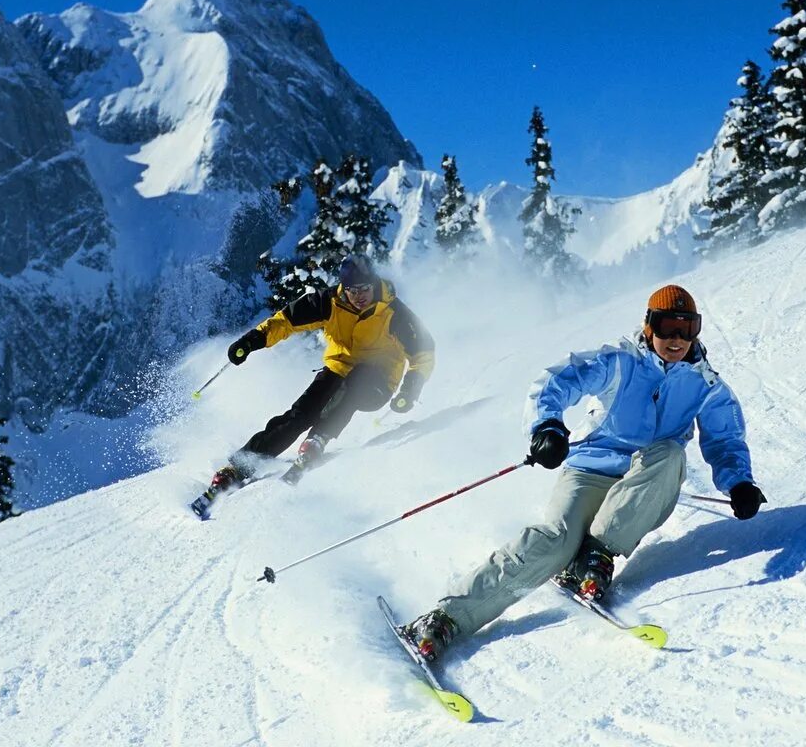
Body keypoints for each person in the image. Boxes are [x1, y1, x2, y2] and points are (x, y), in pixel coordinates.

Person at [402, 284, 765, 661]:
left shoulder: (705, 384)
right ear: (648, 326)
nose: (676, 339)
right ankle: (445, 620)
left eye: (686, 329)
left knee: (671, 454)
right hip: (590, 470)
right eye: (666, 327)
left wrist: (739, 482)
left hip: (646, 482)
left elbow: (726, 439)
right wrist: (548, 426)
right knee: (555, 541)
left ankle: (596, 555)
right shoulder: (621, 363)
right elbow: (558, 380)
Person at [203, 255, 435, 499]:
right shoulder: (329, 302)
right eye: (352, 290)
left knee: (354, 385)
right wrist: (252, 341)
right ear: (343, 288)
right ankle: (239, 467)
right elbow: (286, 321)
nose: (359, 296)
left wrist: (410, 390)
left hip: (378, 381)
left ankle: (318, 439)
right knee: (300, 414)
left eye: (364, 289)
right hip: (338, 370)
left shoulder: (393, 312)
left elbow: (424, 353)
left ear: (374, 283)